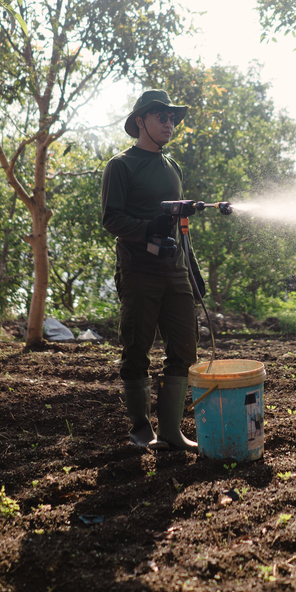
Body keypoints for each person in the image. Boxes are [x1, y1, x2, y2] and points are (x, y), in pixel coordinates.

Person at [100, 89, 200, 452]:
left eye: (172, 117)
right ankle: (142, 431)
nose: (169, 123)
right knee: (137, 350)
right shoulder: (121, 165)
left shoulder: (172, 167)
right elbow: (111, 218)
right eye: (161, 117)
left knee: (185, 349)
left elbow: (178, 224)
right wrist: (147, 230)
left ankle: (171, 432)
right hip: (139, 271)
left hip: (175, 272)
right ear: (141, 121)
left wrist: (192, 271)